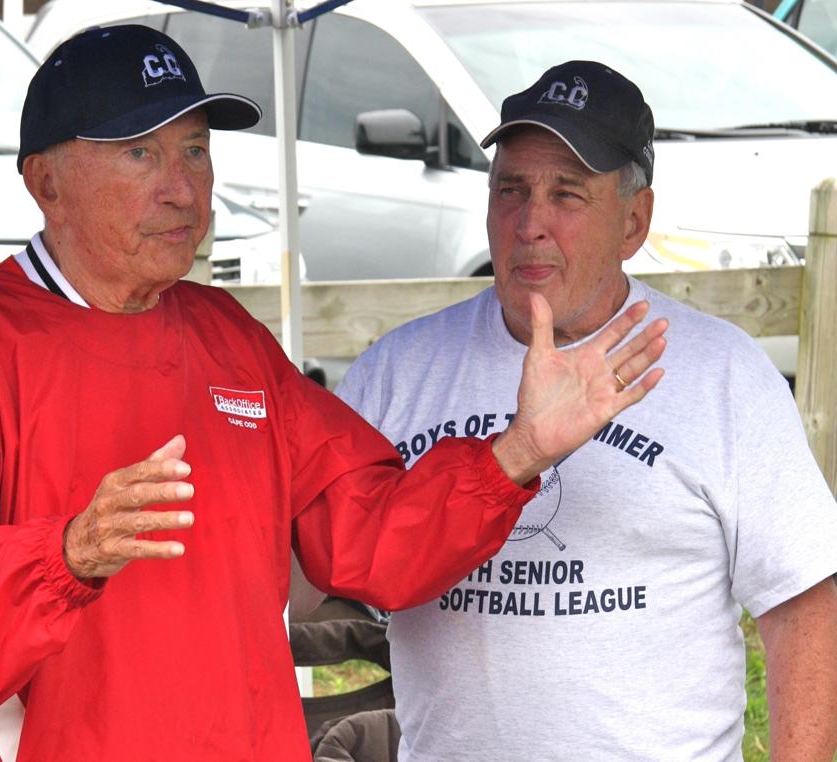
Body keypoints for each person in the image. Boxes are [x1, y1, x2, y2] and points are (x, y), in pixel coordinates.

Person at [0, 30, 667, 761]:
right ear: (46, 182)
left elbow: (369, 540)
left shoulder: (227, 338)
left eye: (195, 151)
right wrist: (68, 556)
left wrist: (519, 452)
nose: (182, 189)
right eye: (140, 154)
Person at [336, 59, 837, 761]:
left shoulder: (722, 376)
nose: (530, 223)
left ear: (634, 221)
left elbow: (805, 604)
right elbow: (303, 567)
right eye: (511, 190)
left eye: (566, 195)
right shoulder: (398, 372)